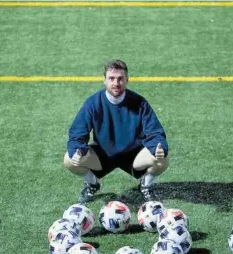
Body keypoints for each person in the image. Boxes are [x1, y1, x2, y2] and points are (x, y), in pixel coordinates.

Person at [63, 59, 170, 204]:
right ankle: (92, 183)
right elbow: (77, 133)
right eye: (111, 78)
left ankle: (146, 184)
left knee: (162, 159)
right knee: (69, 160)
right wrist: (77, 150)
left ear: (127, 79)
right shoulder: (93, 103)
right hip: (103, 154)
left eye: (120, 78)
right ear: (104, 80)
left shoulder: (140, 103)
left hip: (133, 155)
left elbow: (155, 131)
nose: (116, 83)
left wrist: (159, 146)